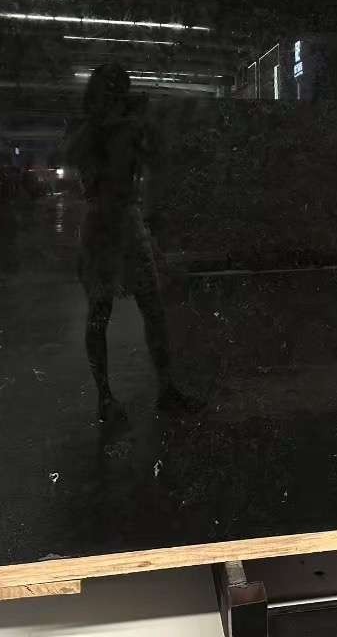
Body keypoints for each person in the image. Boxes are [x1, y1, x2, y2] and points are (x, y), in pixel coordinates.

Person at [67, 63, 196, 427]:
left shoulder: (120, 127)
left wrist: (138, 129)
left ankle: (160, 389)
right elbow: (85, 163)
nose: (119, 97)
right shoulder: (91, 130)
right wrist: (119, 129)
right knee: (103, 311)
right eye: (114, 91)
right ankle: (108, 397)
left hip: (123, 220)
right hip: (105, 223)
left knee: (148, 308)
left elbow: (157, 160)